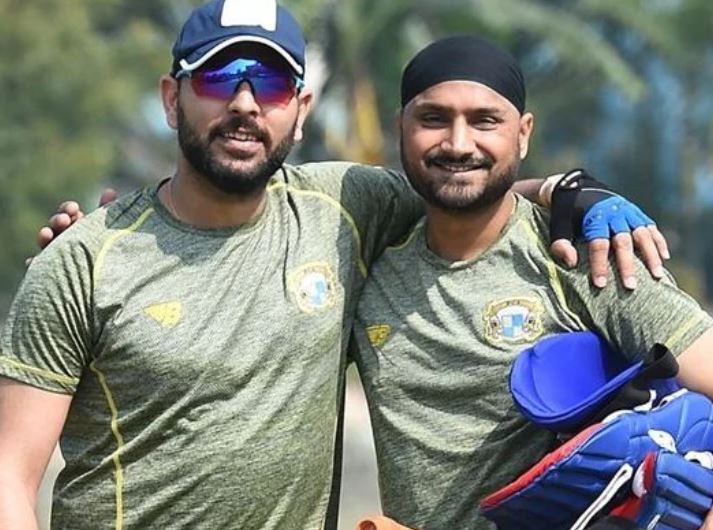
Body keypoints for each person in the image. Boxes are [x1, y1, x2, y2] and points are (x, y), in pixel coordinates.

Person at [0, 2, 668, 529]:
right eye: (217, 77)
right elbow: (9, 471)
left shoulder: (344, 206)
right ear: (173, 98)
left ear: (300, 111)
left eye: (268, 83)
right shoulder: (84, 259)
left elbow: (464, 185)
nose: (243, 104)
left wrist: (572, 192)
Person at [350, 35, 713, 530]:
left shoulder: (586, 256)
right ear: (401, 128)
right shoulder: (370, 265)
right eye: (434, 118)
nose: (458, 144)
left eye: (485, 121)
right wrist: (553, 185)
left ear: (523, 134)